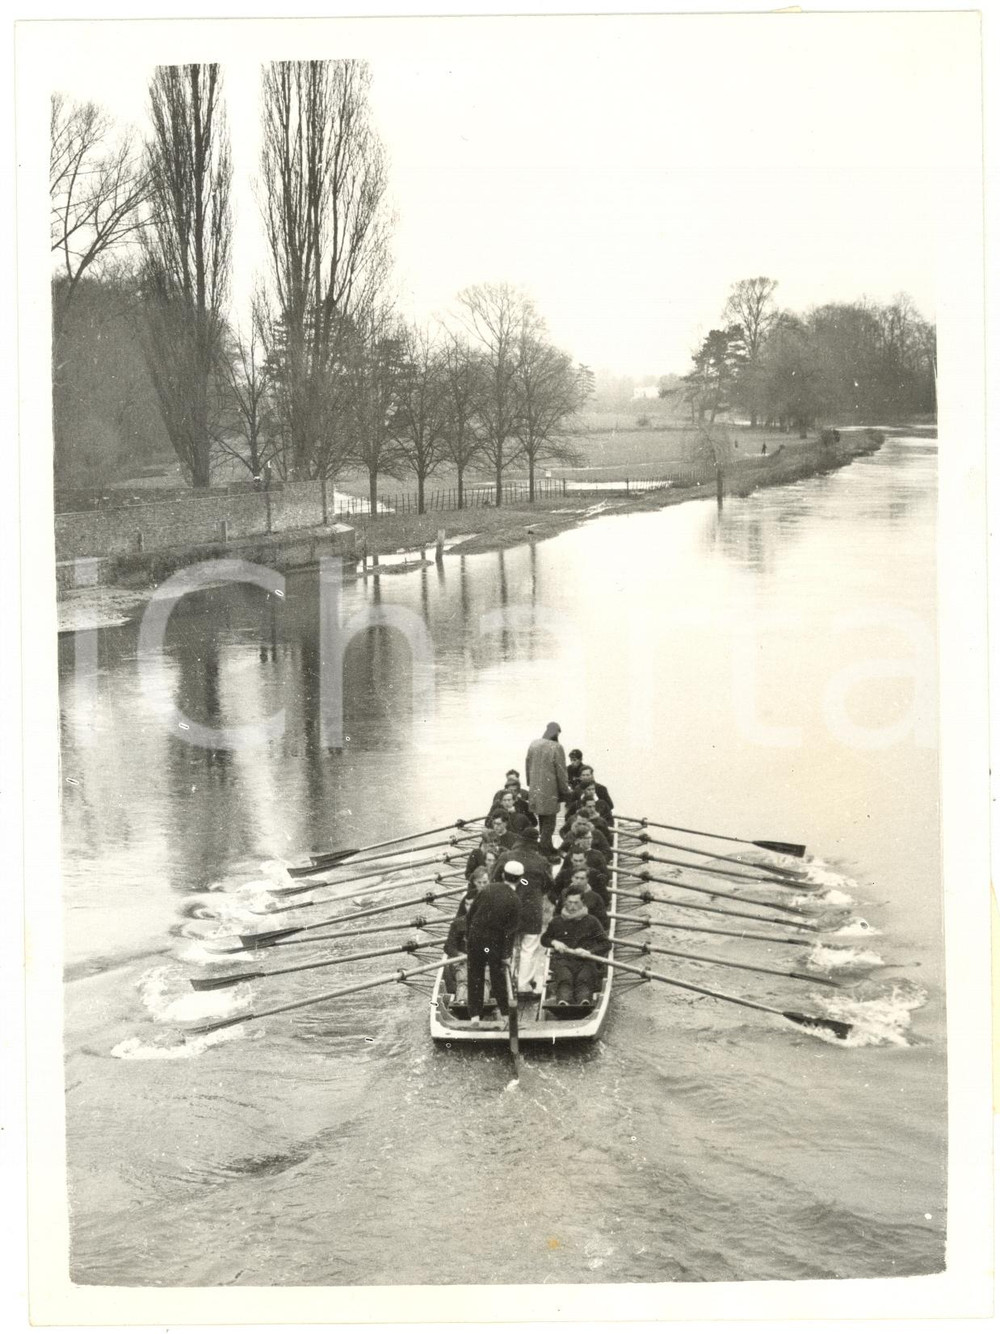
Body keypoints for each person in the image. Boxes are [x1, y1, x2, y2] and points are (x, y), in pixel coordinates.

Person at [464, 862, 521, 1025]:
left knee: (475, 975)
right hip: (495, 943)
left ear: (503, 875)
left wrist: (469, 937)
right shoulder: (515, 900)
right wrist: (506, 956)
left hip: (475, 938)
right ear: (519, 879)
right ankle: (505, 1015)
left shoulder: (488, 888)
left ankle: (474, 1017)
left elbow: (470, 916)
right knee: (498, 977)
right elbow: (510, 932)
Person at [541, 886, 611, 1006]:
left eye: (576, 903)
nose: (572, 906)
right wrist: (554, 942)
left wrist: (589, 952)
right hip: (563, 959)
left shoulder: (592, 921)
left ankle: (584, 1002)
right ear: (565, 902)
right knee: (565, 978)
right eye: (569, 903)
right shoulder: (557, 921)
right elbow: (544, 939)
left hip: (585, 960)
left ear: (583, 903)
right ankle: (563, 1002)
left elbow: (606, 944)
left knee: (583, 979)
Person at [525, 722, 572, 859]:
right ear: (556, 733)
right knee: (550, 824)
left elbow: (527, 765)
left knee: (542, 820)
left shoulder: (533, 744)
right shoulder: (556, 747)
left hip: (535, 790)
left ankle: (547, 846)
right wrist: (565, 790)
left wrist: (530, 784)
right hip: (550, 791)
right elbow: (561, 771)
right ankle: (544, 852)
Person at [443, 866, 489, 1002]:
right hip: (462, 961)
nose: (469, 908)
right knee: (463, 979)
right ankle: (462, 1003)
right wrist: (459, 955)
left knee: (484, 979)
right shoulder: (458, 924)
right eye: (467, 905)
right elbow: (448, 947)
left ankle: (483, 1003)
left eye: (472, 905)